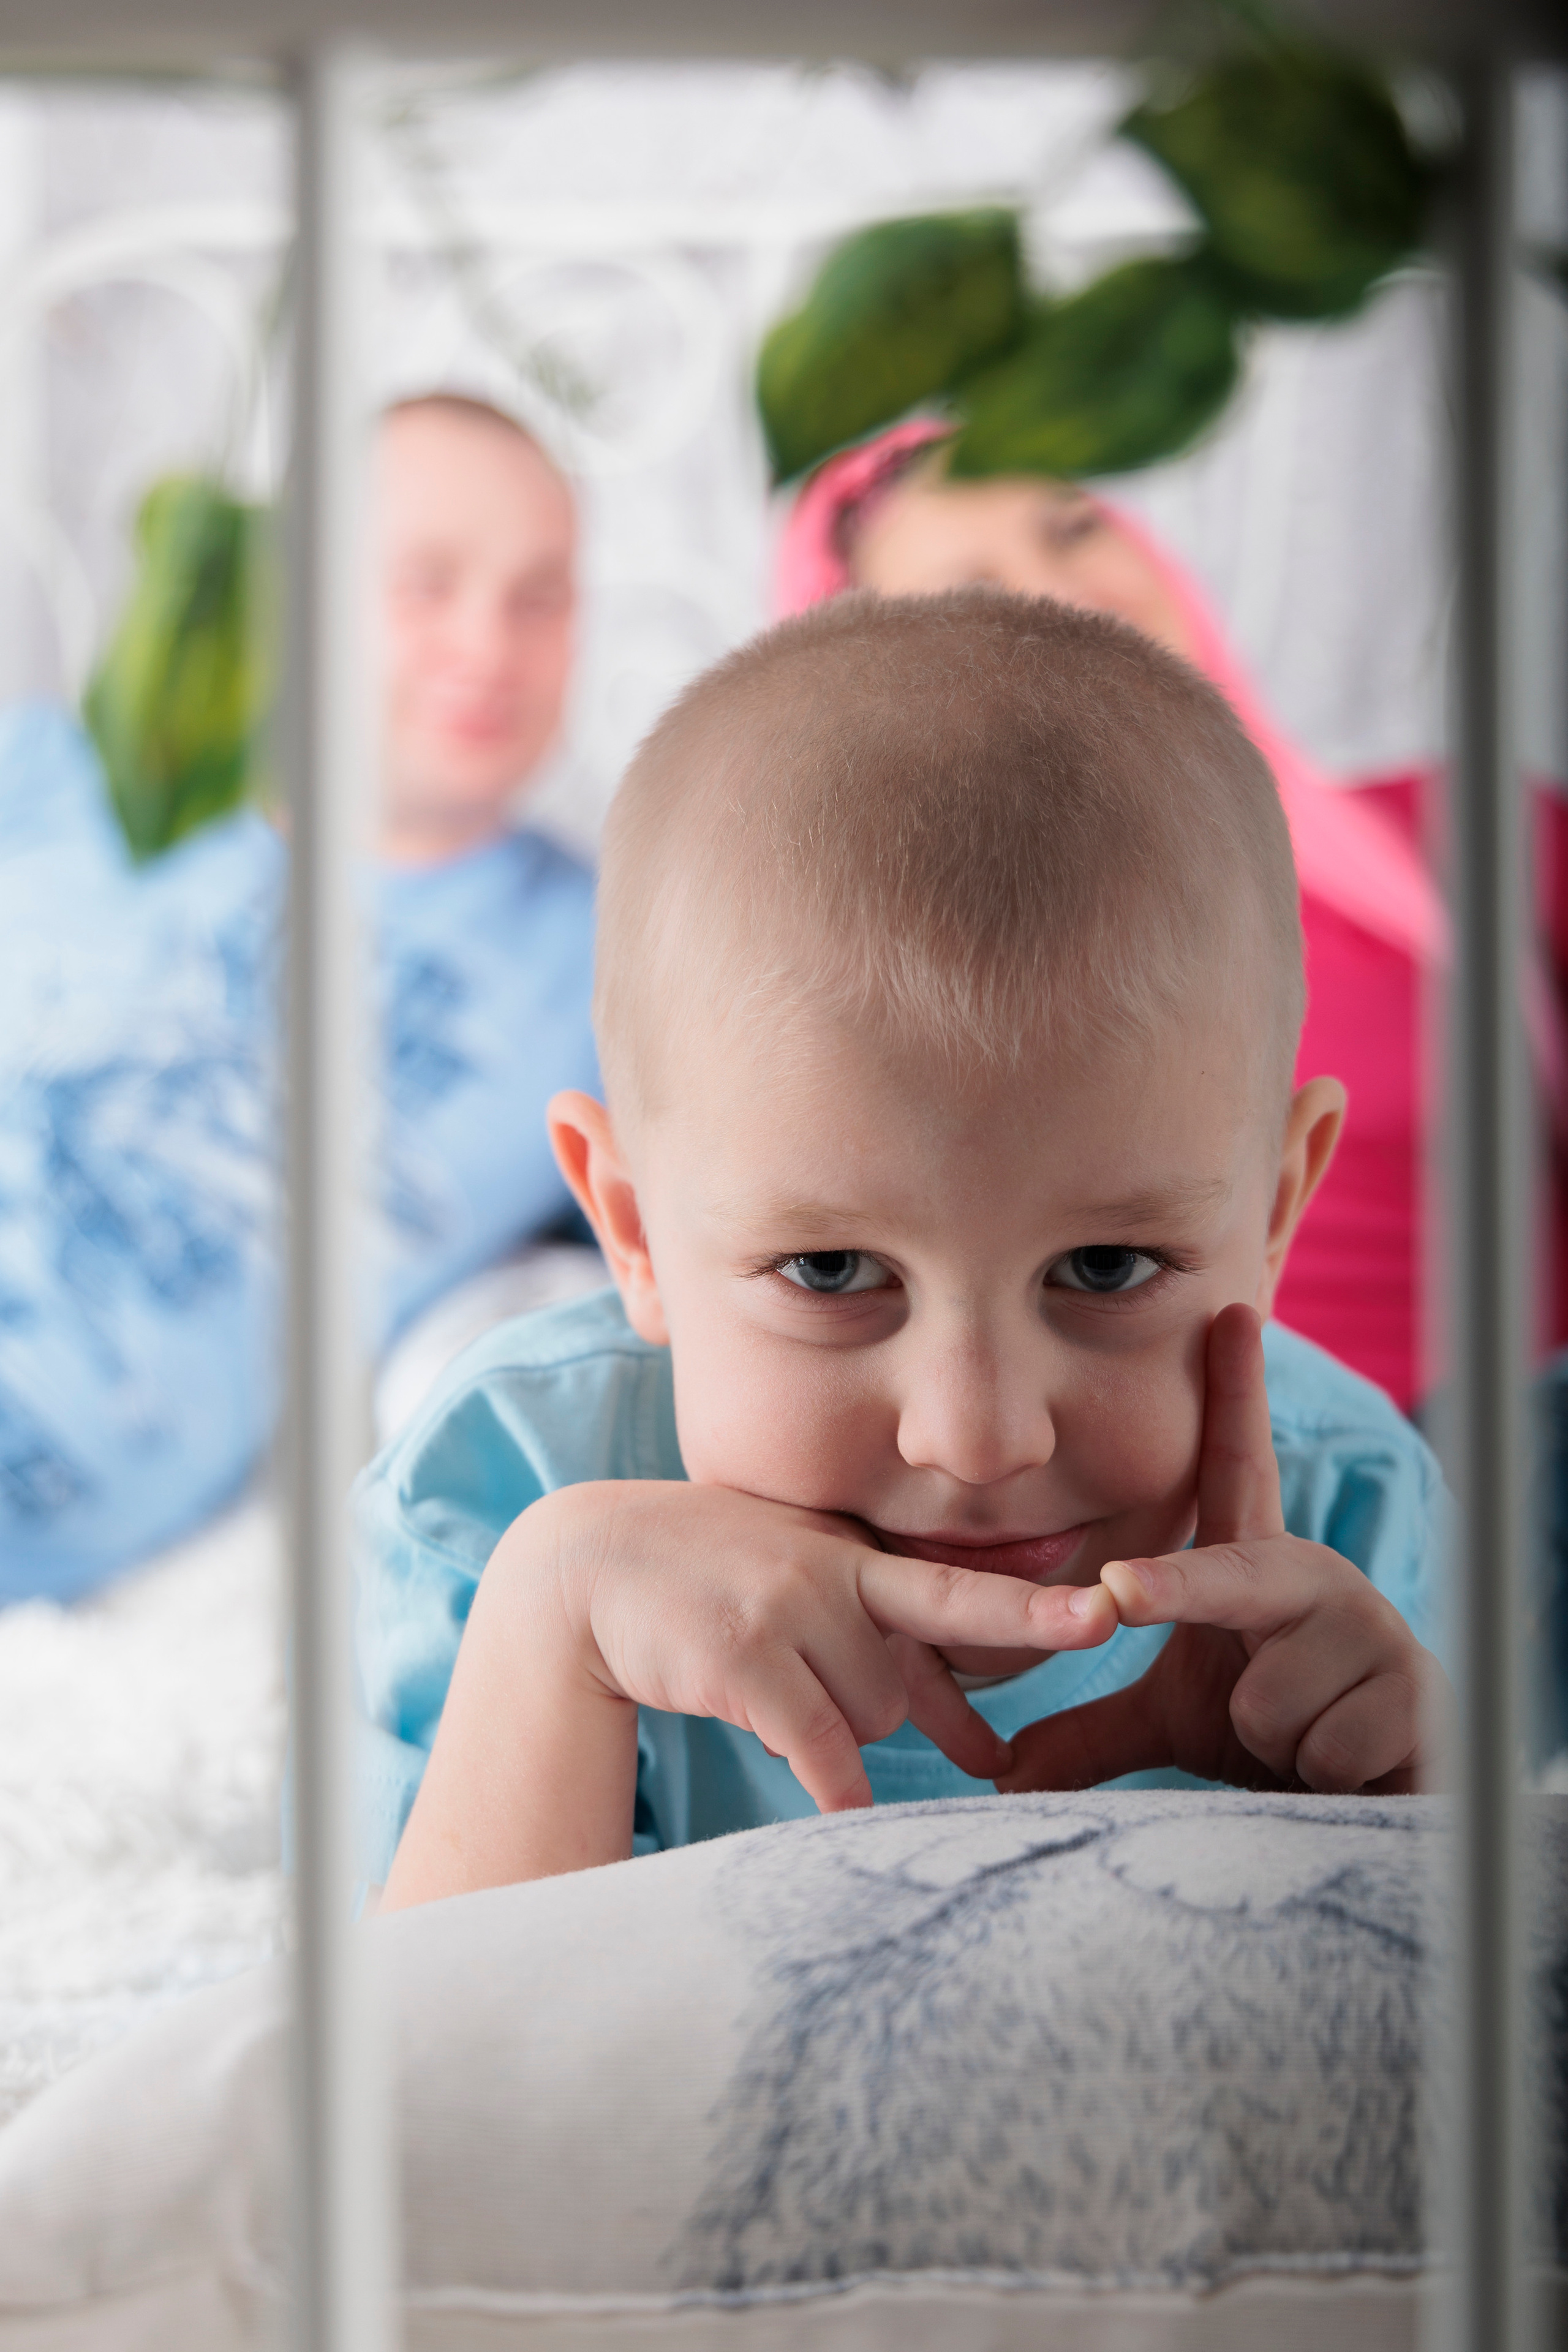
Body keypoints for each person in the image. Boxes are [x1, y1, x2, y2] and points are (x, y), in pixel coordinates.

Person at [353, 590, 1449, 1910]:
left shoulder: (1348, 1517)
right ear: (633, 1232)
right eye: (829, 1273)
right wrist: (555, 1635)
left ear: (1272, 1213)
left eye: (1102, 1269)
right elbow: (414, 2078)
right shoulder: (498, 1493)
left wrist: (1396, 1822)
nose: (978, 1440)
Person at [0, 393, 599, 1604]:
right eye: (424, 582)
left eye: (539, 597)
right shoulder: (65, 779)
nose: (488, 646)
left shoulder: (604, 962)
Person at [773, 421, 1448, 1414]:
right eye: (983, 594)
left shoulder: (1464, 826)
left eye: (1073, 527)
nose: (1071, 591)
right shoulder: (883, 985)